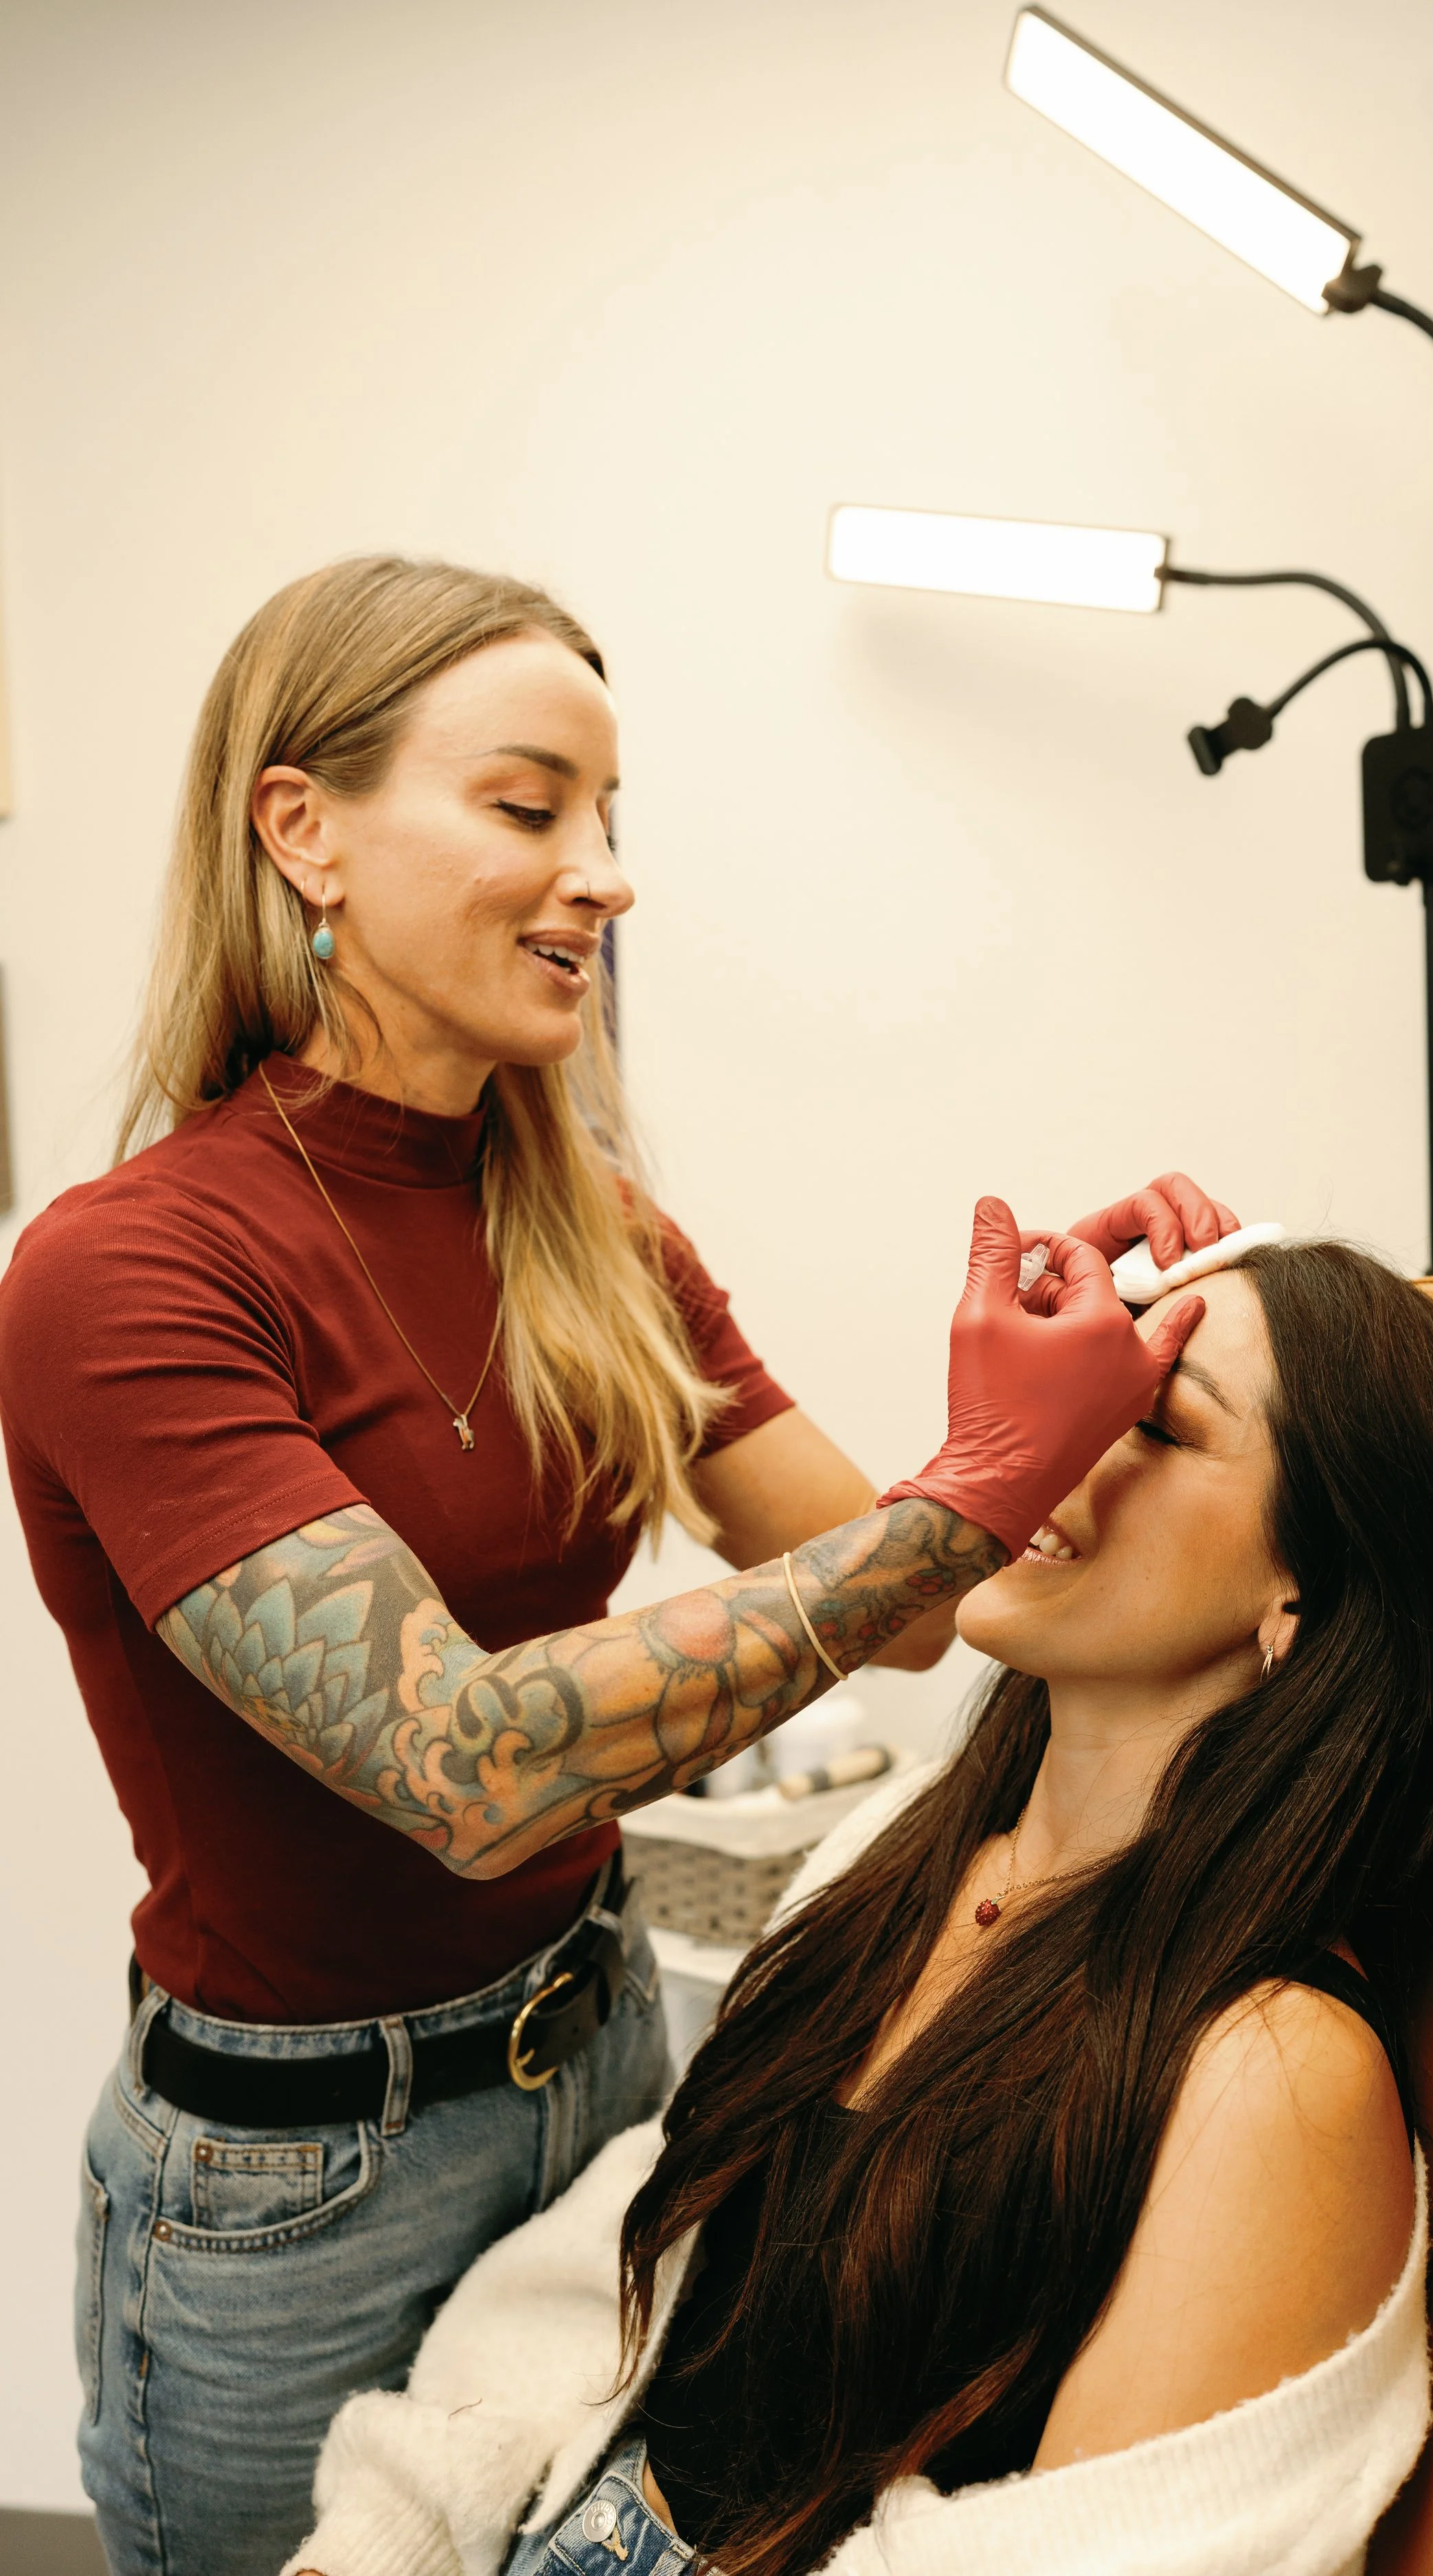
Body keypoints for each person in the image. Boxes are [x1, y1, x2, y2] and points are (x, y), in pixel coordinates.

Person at [0, 552, 1236, 2576]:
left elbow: (906, 1608)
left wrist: (1041, 1385)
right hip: (299, 2185)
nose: (605, 875)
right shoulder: (128, 1273)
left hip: (604, 2059)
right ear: (302, 830)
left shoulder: (596, 1237)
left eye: (607, 813)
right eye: (527, 805)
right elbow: (468, 1765)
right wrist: (973, 1485)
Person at [285, 1238, 1433, 2576]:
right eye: (1085, 1390)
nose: (1054, 1442)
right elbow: (616, 2288)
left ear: (1306, 1589)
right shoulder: (905, 1844)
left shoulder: (1271, 2075)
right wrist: (388, 2538)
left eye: (1153, 1421)